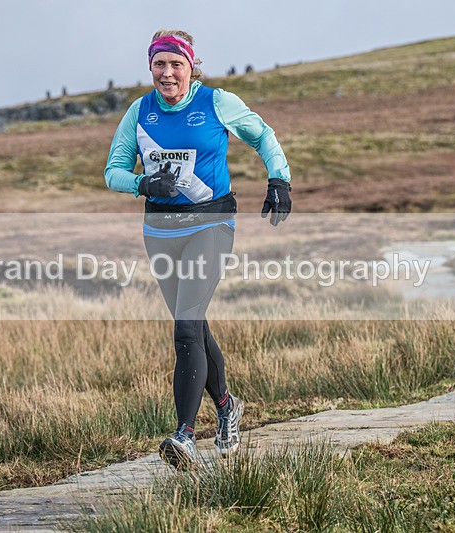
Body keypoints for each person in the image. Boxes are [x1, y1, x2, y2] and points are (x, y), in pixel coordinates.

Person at [105, 29, 292, 469]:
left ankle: (184, 435)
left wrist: (278, 179)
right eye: (159, 64)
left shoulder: (216, 102)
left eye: (176, 64)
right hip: (161, 229)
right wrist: (141, 183)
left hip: (212, 222)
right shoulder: (140, 111)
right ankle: (226, 405)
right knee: (195, 325)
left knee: (185, 329)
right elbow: (113, 171)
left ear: (191, 66)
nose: (167, 73)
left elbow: (263, 136)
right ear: (150, 67)